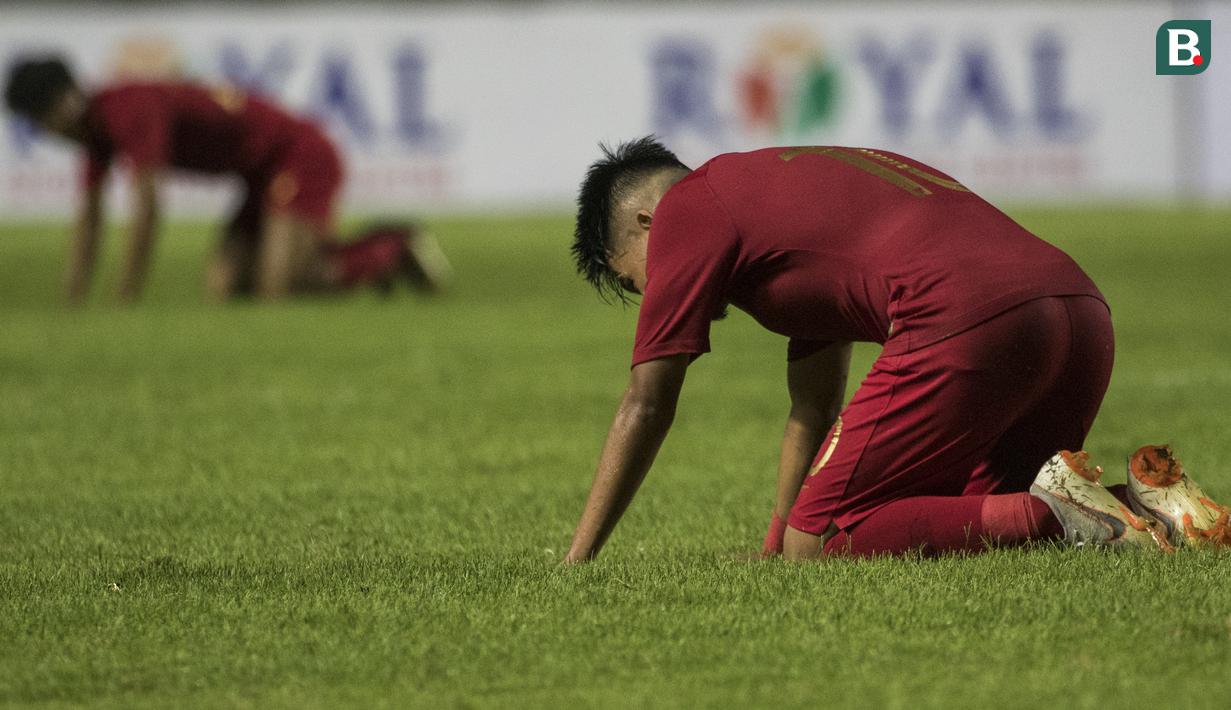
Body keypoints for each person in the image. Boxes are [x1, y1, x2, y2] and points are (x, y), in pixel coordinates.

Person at [564, 137, 1229, 562]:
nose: (652, 293)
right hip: (1077, 316)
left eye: (634, 278)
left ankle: (1059, 515)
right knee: (960, 521)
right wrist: (771, 547)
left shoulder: (689, 208)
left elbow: (646, 405)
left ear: (647, 221)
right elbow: (814, 405)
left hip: (969, 321)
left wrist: (577, 562)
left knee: (823, 539)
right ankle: (1152, 505)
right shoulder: (773, 203)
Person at [4, 55, 447, 304]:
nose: (42, 134)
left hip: (297, 155)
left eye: (36, 120)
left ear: (59, 107)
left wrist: (125, 297)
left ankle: (390, 249)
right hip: (259, 175)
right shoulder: (97, 131)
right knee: (225, 288)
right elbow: (89, 221)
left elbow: (147, 207)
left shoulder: (127, 110)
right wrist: (73, 301)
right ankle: (360, 259)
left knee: (280, 288)